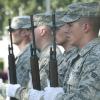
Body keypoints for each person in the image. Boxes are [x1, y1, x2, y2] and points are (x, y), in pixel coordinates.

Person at [27, 2, 100, 100]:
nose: (66, 30)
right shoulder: (80, 57)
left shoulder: (96, 58)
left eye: (70, 25)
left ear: (85, 27)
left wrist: (56, 97)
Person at [0, 13, 63, 100]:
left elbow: (42, 89)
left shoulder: (49, 56)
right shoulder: (43, 55)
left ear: (42, 31)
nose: (29, 33)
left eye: (32, 29)